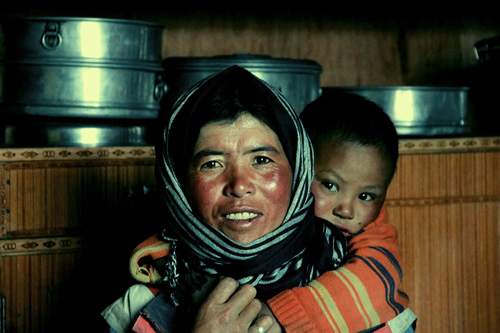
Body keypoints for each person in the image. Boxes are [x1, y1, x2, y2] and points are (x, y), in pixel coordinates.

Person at [102, 67, 412, 332]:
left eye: (262, 160)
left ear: (299, 170)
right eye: (212, 164)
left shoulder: (364, 294)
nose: (239, 185)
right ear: (178, 185)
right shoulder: (139, 309)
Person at [297, 91, 417, 332]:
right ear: (298, 165)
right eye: (330, 185)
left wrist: (277, 316)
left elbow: (373, 281)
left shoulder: (375, 234)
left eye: (365, 196)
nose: (346, 210)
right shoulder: (276, 217)